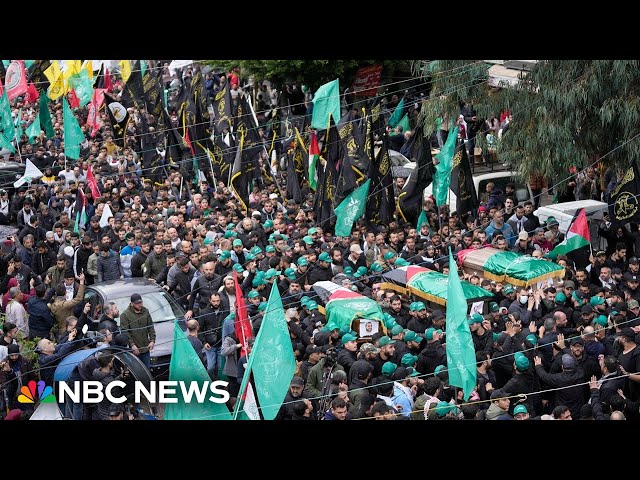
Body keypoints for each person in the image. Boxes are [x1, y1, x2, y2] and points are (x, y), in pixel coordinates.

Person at [119, 293, 156, 368]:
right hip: (134, 350)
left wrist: (152, 340)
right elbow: (125, 332)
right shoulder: (125, 315)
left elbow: (150, 327)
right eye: (137, 303)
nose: (140, 305)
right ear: (132, 303)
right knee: (137, 370)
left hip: (145, 348)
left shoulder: (145, 311)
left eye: (141, 302)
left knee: (147, 369)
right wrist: (132, 345)